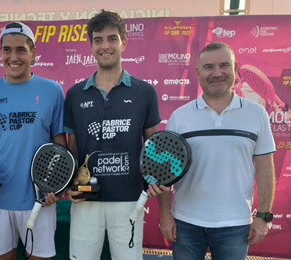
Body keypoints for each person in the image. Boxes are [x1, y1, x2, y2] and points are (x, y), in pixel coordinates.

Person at [157, 42, 276, 260]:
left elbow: (265, 168)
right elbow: (165, 173)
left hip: (235, 225)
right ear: (198, 72)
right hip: (185, 223)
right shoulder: (179, 116)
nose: (217, 73)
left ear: (235, 68)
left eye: (224, 65)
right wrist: (165, 216)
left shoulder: (257, 114)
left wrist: (263, 216)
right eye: (209, 67)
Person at [64, 10, 166, 260]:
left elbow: (153, 148)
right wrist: (70, 184)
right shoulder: (75, 94)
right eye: (98, 40)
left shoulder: (145, 92)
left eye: (112, 38)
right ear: (91, 45)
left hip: (129, 200)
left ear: (124, 42)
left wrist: (161, 200)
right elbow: (73, 148)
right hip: (86, 200)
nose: (105, 46)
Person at [0, 21, 66, 260]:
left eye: (20, 50)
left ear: (33, 53)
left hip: (40, 199)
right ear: (0, 53)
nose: (13, 56)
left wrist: (58, 185)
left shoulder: (53, 90)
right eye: (7, 50)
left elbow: (59, 143)